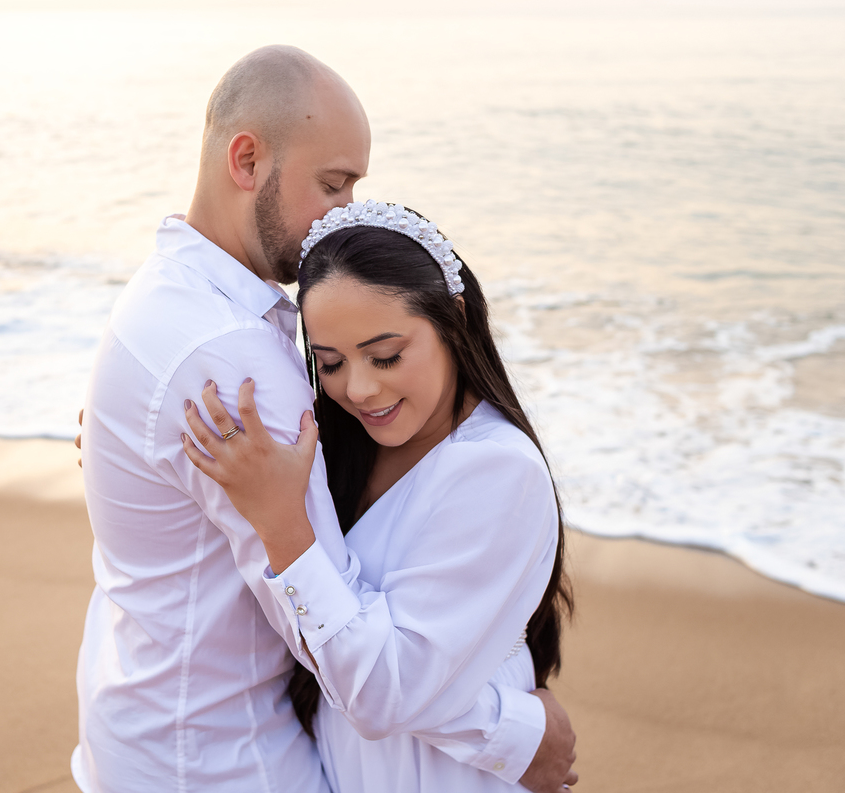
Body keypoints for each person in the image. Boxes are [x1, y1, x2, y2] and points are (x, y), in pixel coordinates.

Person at [72, 46, 577, 792]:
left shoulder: (173, 304)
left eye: (384, 352)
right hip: (217, 759)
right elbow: (362, 668)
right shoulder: (230, 357)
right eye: (332, 184)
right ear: (247, 160)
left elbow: (381, 648)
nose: (339, 216)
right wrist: (516, 733)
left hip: (156, 725)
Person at [180, 201, 575, 792]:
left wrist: (283, 523)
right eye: (331, 362)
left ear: (454, 319)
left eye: (386, 355)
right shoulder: (338, 445)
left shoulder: (497, 470)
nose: (359, 389)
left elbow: (386, 694)